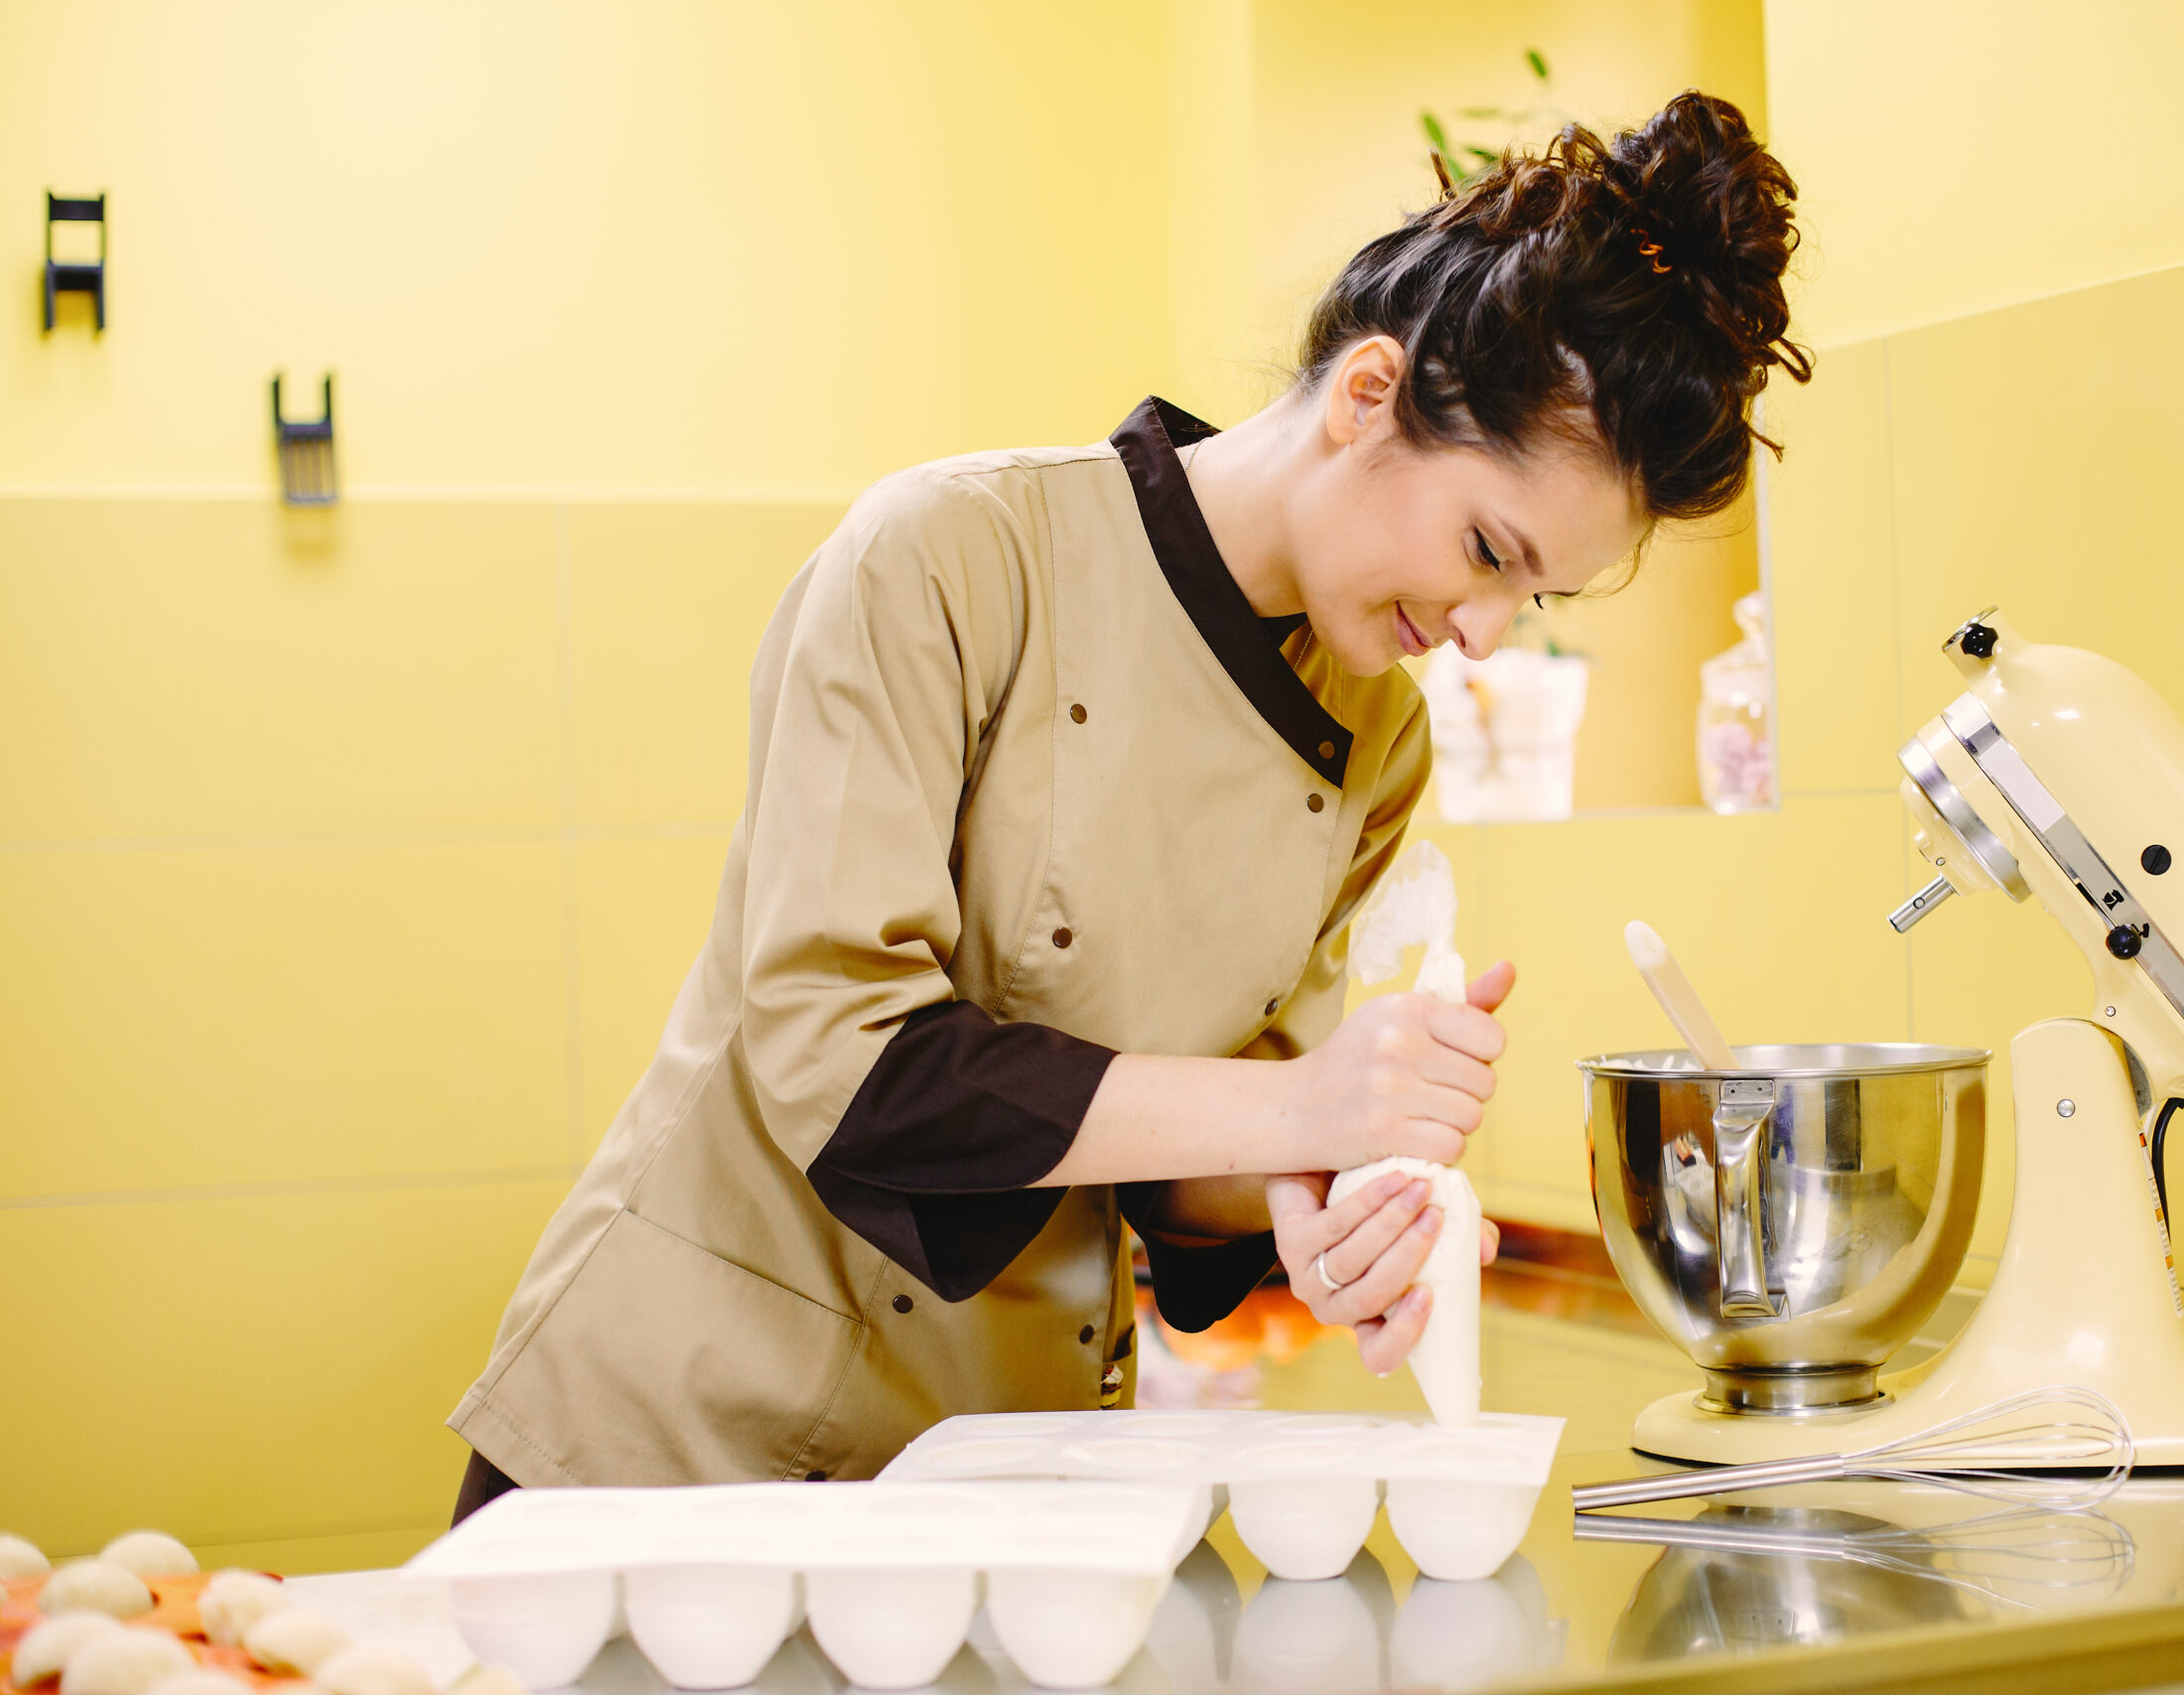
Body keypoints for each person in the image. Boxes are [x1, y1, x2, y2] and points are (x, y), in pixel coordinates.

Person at [447, 87, 1807, 1515]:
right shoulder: (951, 560)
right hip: (666, 1453)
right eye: (1487, 549)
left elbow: (1186, 1174)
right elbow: (841, 1064)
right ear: (1364, 396)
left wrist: (1327, 1199)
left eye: (1532, 595)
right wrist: (1292, 1106)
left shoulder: (1375, 742)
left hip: (994, 1483)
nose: (1483, 631)